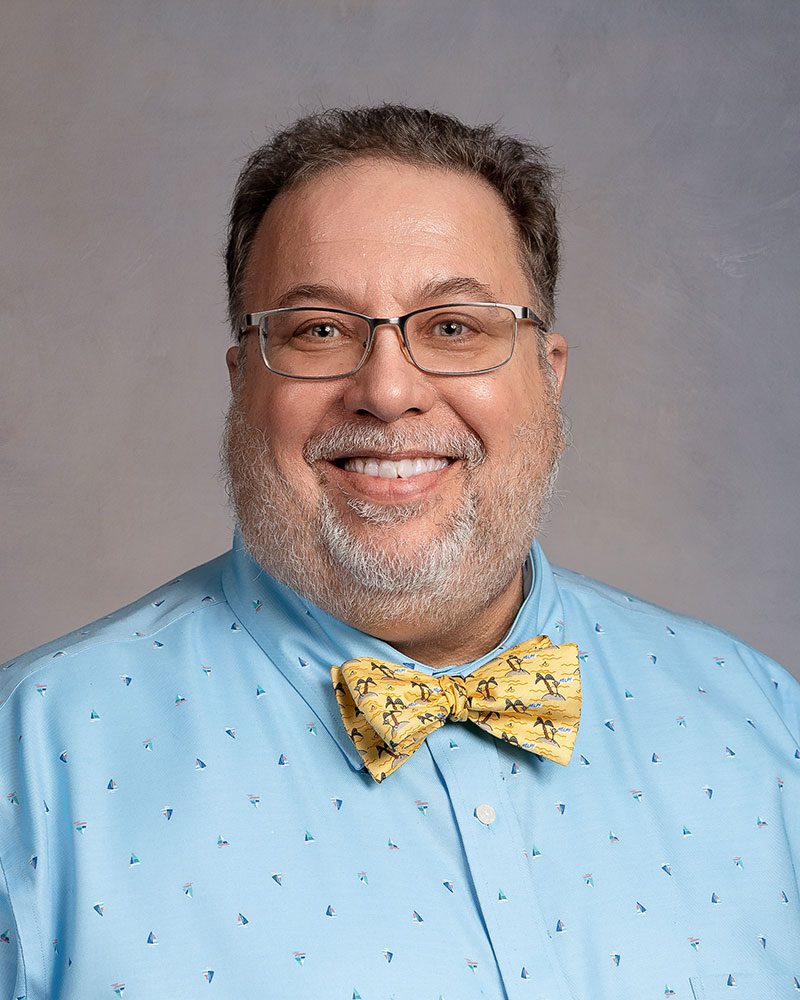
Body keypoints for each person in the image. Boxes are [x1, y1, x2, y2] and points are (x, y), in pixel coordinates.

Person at [1, 104, 798, 1000]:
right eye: (318, 330)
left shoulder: (768, 728)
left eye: (454, 328)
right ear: (242, 383)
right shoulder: (26, 760)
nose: (387, 391)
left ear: (550, 371)